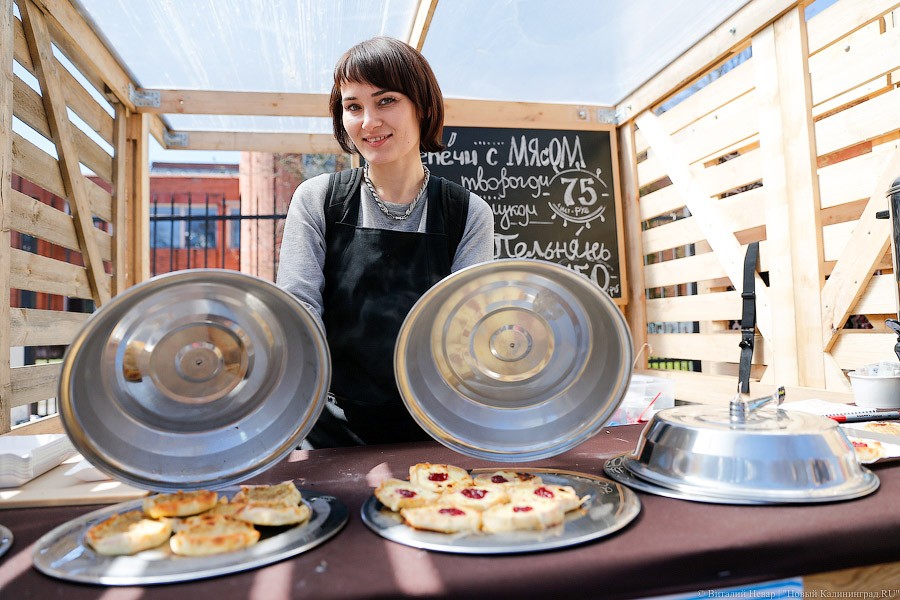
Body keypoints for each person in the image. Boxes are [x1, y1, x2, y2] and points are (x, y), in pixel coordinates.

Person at [276, 37, 494, 448]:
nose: (368, 121)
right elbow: (299, 309)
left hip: (434, 428)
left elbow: (466, 330)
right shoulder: (318, 199)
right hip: (330, 430)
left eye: (386, 100)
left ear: (423, 106)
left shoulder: (468, 212)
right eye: (353, 106)